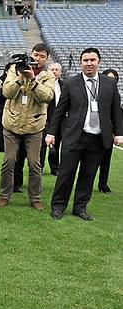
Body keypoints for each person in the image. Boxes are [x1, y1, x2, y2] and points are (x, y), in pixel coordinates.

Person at [46, 48, 123, 221]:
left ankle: (80, 208)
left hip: (98, 138)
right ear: (81, 63)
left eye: (92, 60)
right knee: (66, 174)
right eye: (85, 60)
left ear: (98, 61)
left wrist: (119, 133)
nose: (89, 63)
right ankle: (58, 206)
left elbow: (115, 110)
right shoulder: (70, 83)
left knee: (88, 176)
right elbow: (59, 111)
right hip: (74, 137)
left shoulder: (109, 84)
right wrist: (51, 133)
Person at [0, 43, 55, 210]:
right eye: (35, 54)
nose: (37, 58)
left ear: (47, 58)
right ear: (31, 54)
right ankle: (4, 195)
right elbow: (7, 93)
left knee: (34, 163)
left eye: (42, 56)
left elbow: (47, 97)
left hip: (34, 126)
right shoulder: (14, 69)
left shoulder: (49, 75)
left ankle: (35, 198)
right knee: (8, 161)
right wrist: (20, 77)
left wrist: (32, 79)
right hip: (12, 123)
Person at [97, 68, 120, 194]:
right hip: (92, 131)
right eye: (109, 78)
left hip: (107, 132)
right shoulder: (95, 92)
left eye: (114, 79)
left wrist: (116, 133)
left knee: (106, 161)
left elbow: (116, 115)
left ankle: (103, 184)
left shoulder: (116, 95)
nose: (112, 81)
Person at [39, 62, 63, 176]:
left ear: (60, 72)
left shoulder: (65, 85)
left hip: (60, 120)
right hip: (45, 118)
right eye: (52, 69)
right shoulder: (43, 84)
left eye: (56, 70)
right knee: (42, 145)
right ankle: (40, 167)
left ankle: (55, 168)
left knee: (56, 144)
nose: (54, 71)